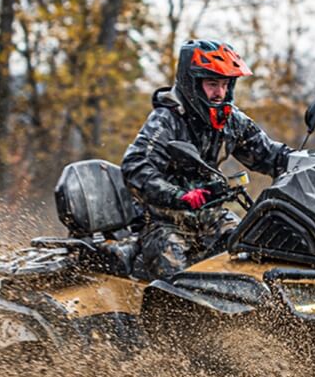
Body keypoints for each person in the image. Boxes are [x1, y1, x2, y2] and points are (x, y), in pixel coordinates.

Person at [120, 39, 292, 280]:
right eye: (212, 84)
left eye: (225, 84)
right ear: (193, 84)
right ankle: (175, 318)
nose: (220, 93)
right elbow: (135, 167)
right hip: (162, 222)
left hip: (209, 217)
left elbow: (270, 156)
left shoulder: (231, 121)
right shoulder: (166, 120)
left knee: (253, 249)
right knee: (178, 276)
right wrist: (178, 196)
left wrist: (304, 163)